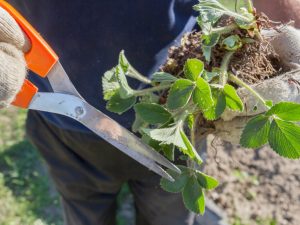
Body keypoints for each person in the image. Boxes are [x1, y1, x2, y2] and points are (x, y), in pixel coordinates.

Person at [0, 1, 299, 225]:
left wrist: (288, 32)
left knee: (168, 213)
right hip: (60, 121)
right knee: (85, 212)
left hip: (180, 114)